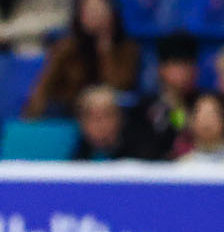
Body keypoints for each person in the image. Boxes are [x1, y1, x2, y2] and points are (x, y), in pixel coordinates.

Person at [23, 0, 138, 120]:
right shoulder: (65, 49)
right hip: (70, 116)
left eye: (98, 8)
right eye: (87, 9)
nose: (93, 14)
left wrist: (105, 45)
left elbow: (118, 86)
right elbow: (42, 89)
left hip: (109, 119)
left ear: (111, 11)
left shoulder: (127, 49)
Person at [129, 33, 201, 162]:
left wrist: (178, 109)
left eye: (186, 65)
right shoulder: (145, 107)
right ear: (161, 69)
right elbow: (142, 152)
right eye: (176, 65)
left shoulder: (203, 104)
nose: (181, 72)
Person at [70, 83, 143, 160]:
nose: (100, 125)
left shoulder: (140, 156)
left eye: (106, 116)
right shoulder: (75, 152)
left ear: (119, 119)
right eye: (93, 117)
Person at [173, 91, 224, 165]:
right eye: (202, 115)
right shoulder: (183, 165)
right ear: (191, 121)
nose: (207, 121)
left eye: (211, 115)